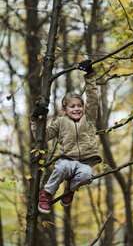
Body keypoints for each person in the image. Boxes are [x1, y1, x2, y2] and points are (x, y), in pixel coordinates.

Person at [31, 60, 102, 214]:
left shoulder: (88, 118)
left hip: (85, 162)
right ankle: (47, 194)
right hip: (67, 160)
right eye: (72, 106)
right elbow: (42, 137)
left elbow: (93, 99)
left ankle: (70, 188)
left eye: (79, 105)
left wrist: (89, 75)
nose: (77, 109)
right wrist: (35, 120)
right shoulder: (60, 122)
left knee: (87, 175)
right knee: (61, 168)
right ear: (64, 110)